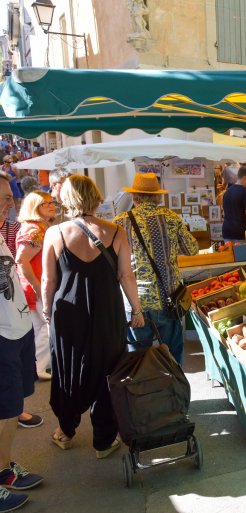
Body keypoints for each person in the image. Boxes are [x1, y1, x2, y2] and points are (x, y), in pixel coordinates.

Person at [41, 175, 144, 457]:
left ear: (66, 199)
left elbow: (48, 281)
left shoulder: (55, 233)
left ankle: (65, 431)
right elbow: (126, 275)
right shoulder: (116, 231)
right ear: (96, 198)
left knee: (68, 370)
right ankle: (103, 439)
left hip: (67, 314)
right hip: (107, 313)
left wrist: (47, 311)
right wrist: (136, 309)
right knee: (107, 371)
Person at [114, 173, 198, 364]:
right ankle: (175, 389)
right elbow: (192, 249)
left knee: (138, 357)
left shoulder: (120, 222)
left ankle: (143, 391)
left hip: (135, 301)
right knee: (172, 353)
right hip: (168, 299)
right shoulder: (171, 217)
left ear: (134, 197)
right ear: (158, 197)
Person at [0, 171, 44, 511]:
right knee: (4, 410)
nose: (7, 205)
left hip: (15, 328)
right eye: (1, 199)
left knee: (11, 409)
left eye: (9, 199)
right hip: (2, 335)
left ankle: (4, 469)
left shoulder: (4, 232)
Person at [15, 191, 57, 381]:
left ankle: (34, 367)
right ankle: (38, 367)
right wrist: (38, 287)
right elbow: (22, 260)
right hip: (37, 286)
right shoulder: (35, 230)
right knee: (49, 326)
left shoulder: (38, 227)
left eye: (51, 202)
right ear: (34, 207)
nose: (51, 205)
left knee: (40, 327)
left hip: (34, 285)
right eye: (44, 203)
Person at [221, 166, 246, 242]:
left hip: (227, 231)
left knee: (230, 254)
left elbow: (224, 213)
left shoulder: (227, 192)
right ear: (244, 178)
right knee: (243, 254)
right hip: (242, 233)